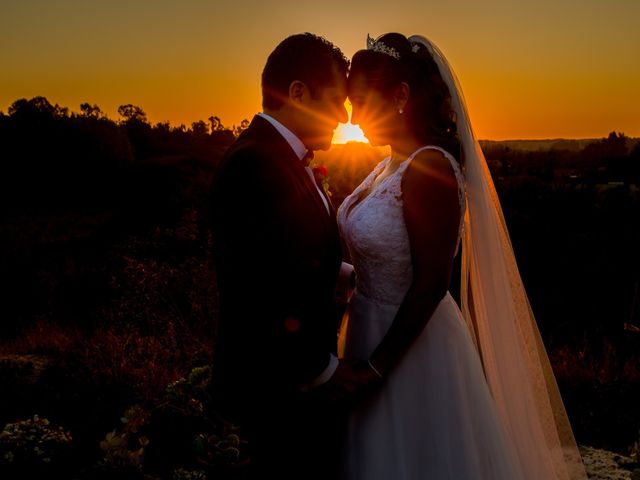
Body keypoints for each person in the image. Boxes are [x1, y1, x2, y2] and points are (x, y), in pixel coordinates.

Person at [336, 33, 588, 479]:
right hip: (365, 330)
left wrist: (377, 367)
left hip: (409, 350)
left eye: (360, 101)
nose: (353, 116)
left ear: (400, 96)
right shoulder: (389, 164)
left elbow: (432, 283)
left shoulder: (429, 167)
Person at [208, 33, 375, 480]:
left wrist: (353, 276)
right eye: (337, 101)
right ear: (297, 92)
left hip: (287, 394)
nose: (344, 117)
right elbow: (259, 290)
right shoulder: (255, 163)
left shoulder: (279, 156)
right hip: (271, 398)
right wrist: (323, 371)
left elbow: (289, 258)